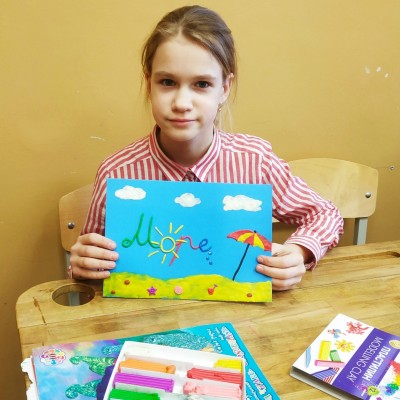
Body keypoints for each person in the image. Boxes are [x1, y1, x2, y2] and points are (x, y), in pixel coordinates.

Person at [69, 5, 343, 291]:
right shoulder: (117, 172)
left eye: (201, 84)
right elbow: (91, 265)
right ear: (149, 84)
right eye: (167, 82)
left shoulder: (255, 162)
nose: (181, 103)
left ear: (224, 88)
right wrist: (82, 265)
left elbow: (325, 214)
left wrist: (298, 252)